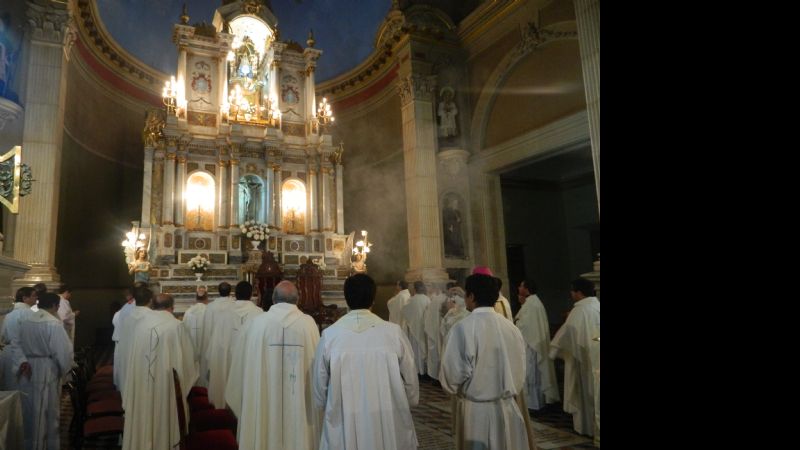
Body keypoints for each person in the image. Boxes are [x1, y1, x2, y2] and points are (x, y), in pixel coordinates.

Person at [313, 273, 419, 450]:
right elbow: (410, 376)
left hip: (345, 420)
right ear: (373, 299)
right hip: (388, 417)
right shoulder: (393, 333)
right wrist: (406, 401)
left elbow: (319, 385)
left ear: (347, 299)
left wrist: (328, 405)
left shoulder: (330, 336)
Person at [439, 273, 535, 450]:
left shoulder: (462, 328)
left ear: (472, 296)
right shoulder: (511, 328)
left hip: (476, 415)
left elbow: (451, 377)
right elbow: (521, 369)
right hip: (508, 408)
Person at [225, 281, 321, 449]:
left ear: (274, 300)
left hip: (264, 407)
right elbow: (319, 372)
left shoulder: (257, 324)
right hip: (299, 407)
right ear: (297, 300)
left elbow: (239, 368)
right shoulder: (309, 325)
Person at [121, 293, 197, 450]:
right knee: (164, 419)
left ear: (152, 306)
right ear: (172, 307)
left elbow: (132, 359)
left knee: (143, 418)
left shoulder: (140, 326)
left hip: (141, 386)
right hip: (165, 389)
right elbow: (189, 364)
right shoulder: (176, 326)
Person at [18, 292, 73, 450]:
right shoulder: (53, 323)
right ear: (56, 306)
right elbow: (62, 352)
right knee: (47, 412)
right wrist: (66, 370)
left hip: (28, 366)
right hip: (46, 368)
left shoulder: (26, 320)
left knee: (31, 411)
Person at [549, 277, 600, 437]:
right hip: (596, 359)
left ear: (579, 292)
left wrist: (553, 351)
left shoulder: (578, 311)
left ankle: (587, 428)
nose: (571, 294)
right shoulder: (597, 306)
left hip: (583, 362)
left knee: (585, 394)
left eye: (572, 291)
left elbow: (566, 334)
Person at [205, 281, 262, 408]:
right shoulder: (260, 314)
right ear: (251, 294)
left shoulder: (224, 315)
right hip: (251, 366)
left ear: (235, 294)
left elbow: (213, 348)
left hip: (227, 366)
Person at [515, 279, 560, 410]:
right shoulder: (533, 302)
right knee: (534, 375)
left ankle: (534, 405)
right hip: (533, 344)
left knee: (532, 375)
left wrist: (516, 322)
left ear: (527, 289)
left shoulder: (531, 305)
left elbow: (523, 326)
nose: (518, 288)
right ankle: (536, 403)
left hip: (531, 346)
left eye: (521, 286)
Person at [0, 287, 37, 391]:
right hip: (24, 353)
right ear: (25, 298)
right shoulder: (30, 313)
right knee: (23, 389)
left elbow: (3, 334)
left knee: (8, 388)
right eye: (34, 295)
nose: (36, 298)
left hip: (7, 352)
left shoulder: (8, 312)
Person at [199, 282, 234, 388]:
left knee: (215, 373)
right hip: (230, 345)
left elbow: (206, 330)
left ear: (219, 292)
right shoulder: (235, 306)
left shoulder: (210, 307)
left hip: (213, 346)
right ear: (230, 291)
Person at [111, 284, 140, 389]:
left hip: (123, 342)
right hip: (128, 343)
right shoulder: (132, 306)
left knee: (122, 369)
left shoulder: (126, 307)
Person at [182, 286, 210, 387]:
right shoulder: (209, 311)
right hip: (206, 347)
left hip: (191, 347)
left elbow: (184, 331)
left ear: (196, 298)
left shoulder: (188, 312)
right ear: (207, 298)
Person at [401, 280, 431, 377]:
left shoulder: (412, 300)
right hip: (425, 329)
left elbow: (404, 311)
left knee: (416, 350)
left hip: (415, 329)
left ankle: (418, 371)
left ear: (414, 289)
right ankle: (426, 371)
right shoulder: (427, 299)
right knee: (424, 349)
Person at [423, 286, 447, 381]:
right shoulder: (452, 299)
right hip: (446, 331)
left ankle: (436, 377)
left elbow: (427, 316)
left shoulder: (435, 300)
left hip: (435, 330)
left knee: (436, 353)